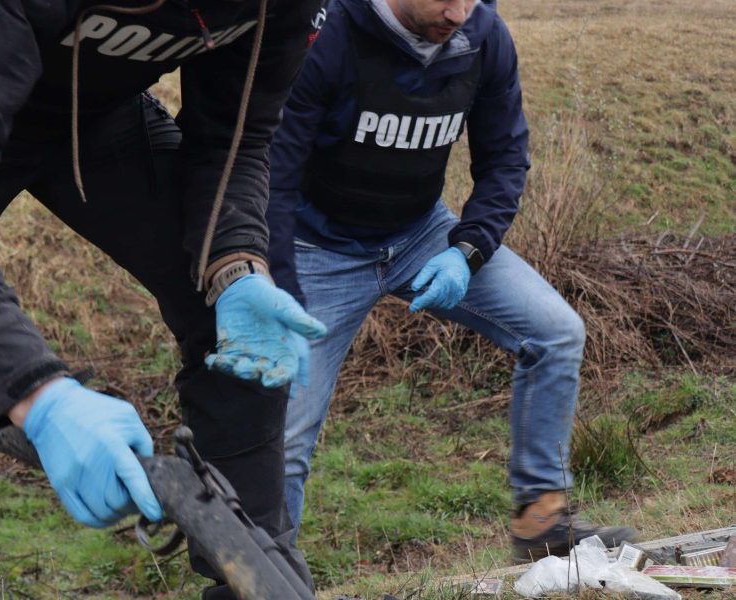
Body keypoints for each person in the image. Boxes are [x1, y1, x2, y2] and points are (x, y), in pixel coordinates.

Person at [0, 0, 330, 597]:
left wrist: (238, 264)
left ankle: (259, 578)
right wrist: (36, 395)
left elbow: (238, 137)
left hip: (90, 106)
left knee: (240, 340)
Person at [265, 0, 636, 563]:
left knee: (557, 332)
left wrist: (467, 249)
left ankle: (541, 522)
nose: (459, 12)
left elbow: (506, 157)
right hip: (321, 250)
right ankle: (272, 577)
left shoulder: (484, 37)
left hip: (422, 235)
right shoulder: (330, 37)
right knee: (285, 433)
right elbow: (273, 181)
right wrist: (282, 294)